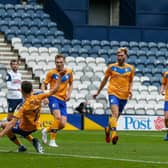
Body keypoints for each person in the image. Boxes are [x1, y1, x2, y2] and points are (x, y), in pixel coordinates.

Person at [0, 71, 65, 153]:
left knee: (5, 125)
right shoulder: (38, 97)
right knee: (15, 125)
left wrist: (1, 134)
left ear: (21, 91)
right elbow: (54, 91)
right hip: (35, 126)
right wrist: (59, 78)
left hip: (25, 128)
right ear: (32, 90)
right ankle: (34, 141)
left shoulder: (22, 106)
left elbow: (11, 123)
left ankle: (22, 146)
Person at [93, 47, 134, 144]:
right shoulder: (111, 67)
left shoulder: (130, 68)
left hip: (124, 95)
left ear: (125, 56)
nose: (119, 57)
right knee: (114, 114)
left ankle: (107, 129)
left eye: (121, 55)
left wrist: (130, 90)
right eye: (118, 55)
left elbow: (131, 81)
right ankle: (114, 134)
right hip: (113, 93)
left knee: (115, 117)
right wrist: (98, 92)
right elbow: (105, 80)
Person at [41, 54, 73, 147]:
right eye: (57, 62)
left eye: (61, 62)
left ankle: (46, 130)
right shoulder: (51, 73)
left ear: (64, 62)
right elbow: (43, 85)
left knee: (62, 124)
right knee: (57, 118)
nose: (59, 64)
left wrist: (69, 94)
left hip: (63, 99)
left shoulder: (69, 72)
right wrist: (45, 96)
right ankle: (52, 141)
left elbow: (71, 84)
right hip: (53, 97)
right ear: (55, 62)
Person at [160, 71, 168, 140]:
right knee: (166, 118)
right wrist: (162, 90)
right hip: (167, 98)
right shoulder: (166, 73)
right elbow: (163, 83)